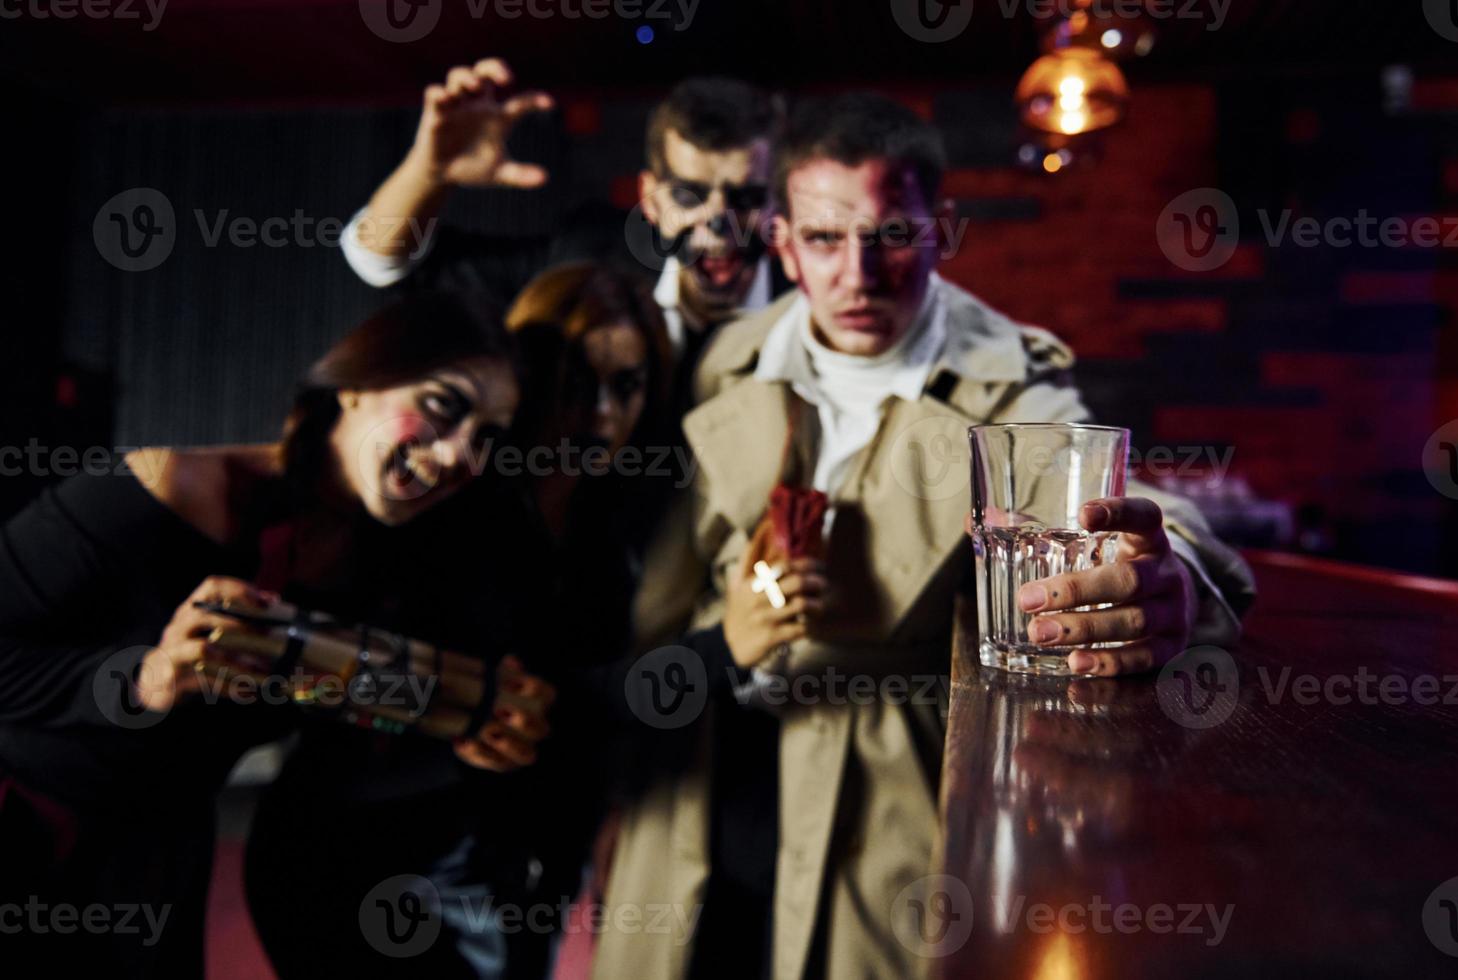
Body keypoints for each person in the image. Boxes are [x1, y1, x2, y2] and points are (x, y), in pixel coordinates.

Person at [595, 93, 1257, 980]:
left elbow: (1125, 499)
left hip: (879, 797)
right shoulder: (721, 361)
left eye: (891, 235)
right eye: (826, 241)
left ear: (939, 229)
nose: (859, 275)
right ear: (784, 243)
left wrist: (1163, 571)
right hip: (703, 782)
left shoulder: (1009, 380)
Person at [0, 291, 550, 977]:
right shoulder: (172, 488)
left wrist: (469, 732)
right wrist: (141, 678)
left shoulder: (388, 572)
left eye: (490, 437)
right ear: (355, 386)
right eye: (444, 404)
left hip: (152, 870)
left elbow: (343, 753)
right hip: (22, 832)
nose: (458, 454)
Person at [244, 265, 672, 977]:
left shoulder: (614, 532)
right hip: (363, 851)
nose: (599, 414)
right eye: (573, 384)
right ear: (528, 380)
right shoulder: (439, 505)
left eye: (625, 386)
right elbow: (313, 683)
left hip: (519, 865)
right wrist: (449, 716)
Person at [341, 59, 785, 396]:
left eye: (746, 198)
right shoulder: (585, 261)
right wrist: (429, 172)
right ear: (651, 199)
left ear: (777, 202)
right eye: (689, 194)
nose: (718, 223)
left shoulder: (822, 300)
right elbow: (385, 261)